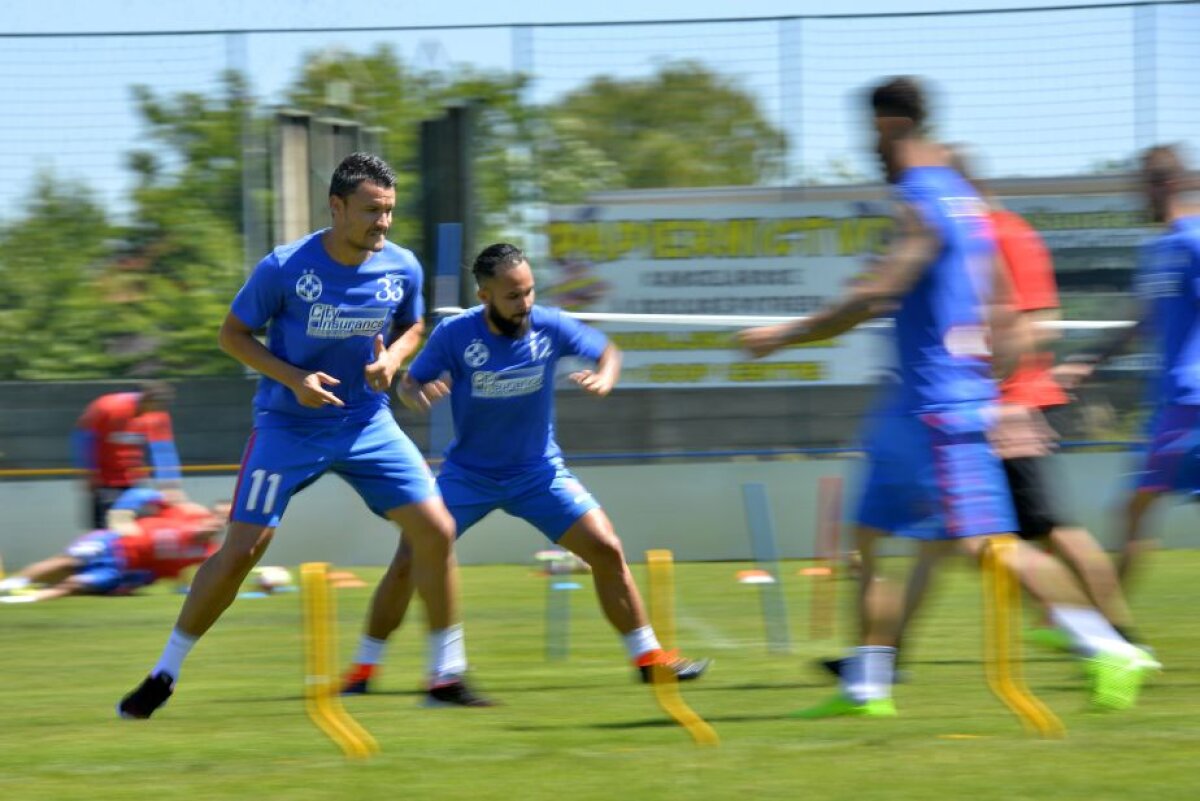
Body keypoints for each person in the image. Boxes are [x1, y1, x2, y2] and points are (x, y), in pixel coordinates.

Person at [738, 76, 1154, 717]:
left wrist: (783, 336)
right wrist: (990, 386)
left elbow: (880, 294)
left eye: (872, 135)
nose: (870, 149)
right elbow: (1006, 313)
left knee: (986, 546)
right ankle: (868, 687)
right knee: (869, 538)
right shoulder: (966, 201)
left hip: (935, 407)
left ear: (890, 128)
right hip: (922, 404)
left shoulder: (920, 200)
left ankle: (1105, 645)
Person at [117, 152, 484, 719]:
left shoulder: (402, 266)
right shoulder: (284, 267)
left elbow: (414, 324)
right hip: (287, 426)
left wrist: (396, 363)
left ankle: (446, 675)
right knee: (243, 550)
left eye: (389, 212)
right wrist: (295, 379)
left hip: (367, 423)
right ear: (336, 208)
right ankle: (165, 671)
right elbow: (233, 335)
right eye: (370, 211)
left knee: (436, 529)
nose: (382, 224)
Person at [340, 243, 710, 695]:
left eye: (530, 291)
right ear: (484, 296)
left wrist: (605, 377)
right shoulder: (456, 334)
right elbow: (411, 382)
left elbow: (608, 351)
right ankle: (362, 670)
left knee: (606, 548)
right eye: (514, 296)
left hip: (539, 473)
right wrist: (414, 395)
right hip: (468, 475)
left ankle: (648, 658)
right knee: (407, 562)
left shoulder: (550, 324)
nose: (525, 303)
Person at [1055, 143, 1200, 591]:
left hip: (1190, 399)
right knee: (1134, 511)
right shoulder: (1157, 251)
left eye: (1145, 188)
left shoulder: (1194, 241)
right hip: (1173, 400)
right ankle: (1112, 631)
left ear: (1168, 185)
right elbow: (1143, 322)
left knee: (1134, 510)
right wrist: (1088, 361)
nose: (1141, 198)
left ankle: (1112, 633)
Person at [0, 490, 226, 604]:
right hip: (112, 542)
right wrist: (122, 516)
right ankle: (11, 585)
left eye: (224, 521)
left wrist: (146, 581)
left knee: (74, 584)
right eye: (217, 516)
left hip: (123, 569)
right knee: (67, 562)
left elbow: (185, 573)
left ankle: (20, 601)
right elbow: (139, 494)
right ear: (210, 513)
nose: (217, 523)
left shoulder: (206, 551)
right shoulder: (187, 511)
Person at [73, 381, 182, 529]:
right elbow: (85, 439)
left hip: (133, 481)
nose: (154, 412)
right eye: (153, 406)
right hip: (105, 482)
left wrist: (170, 485)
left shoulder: (158, 415)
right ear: (145, 399)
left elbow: (162, 449)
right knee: (106, 530)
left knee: (136, 529)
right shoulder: (107, 406)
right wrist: (89, 473)